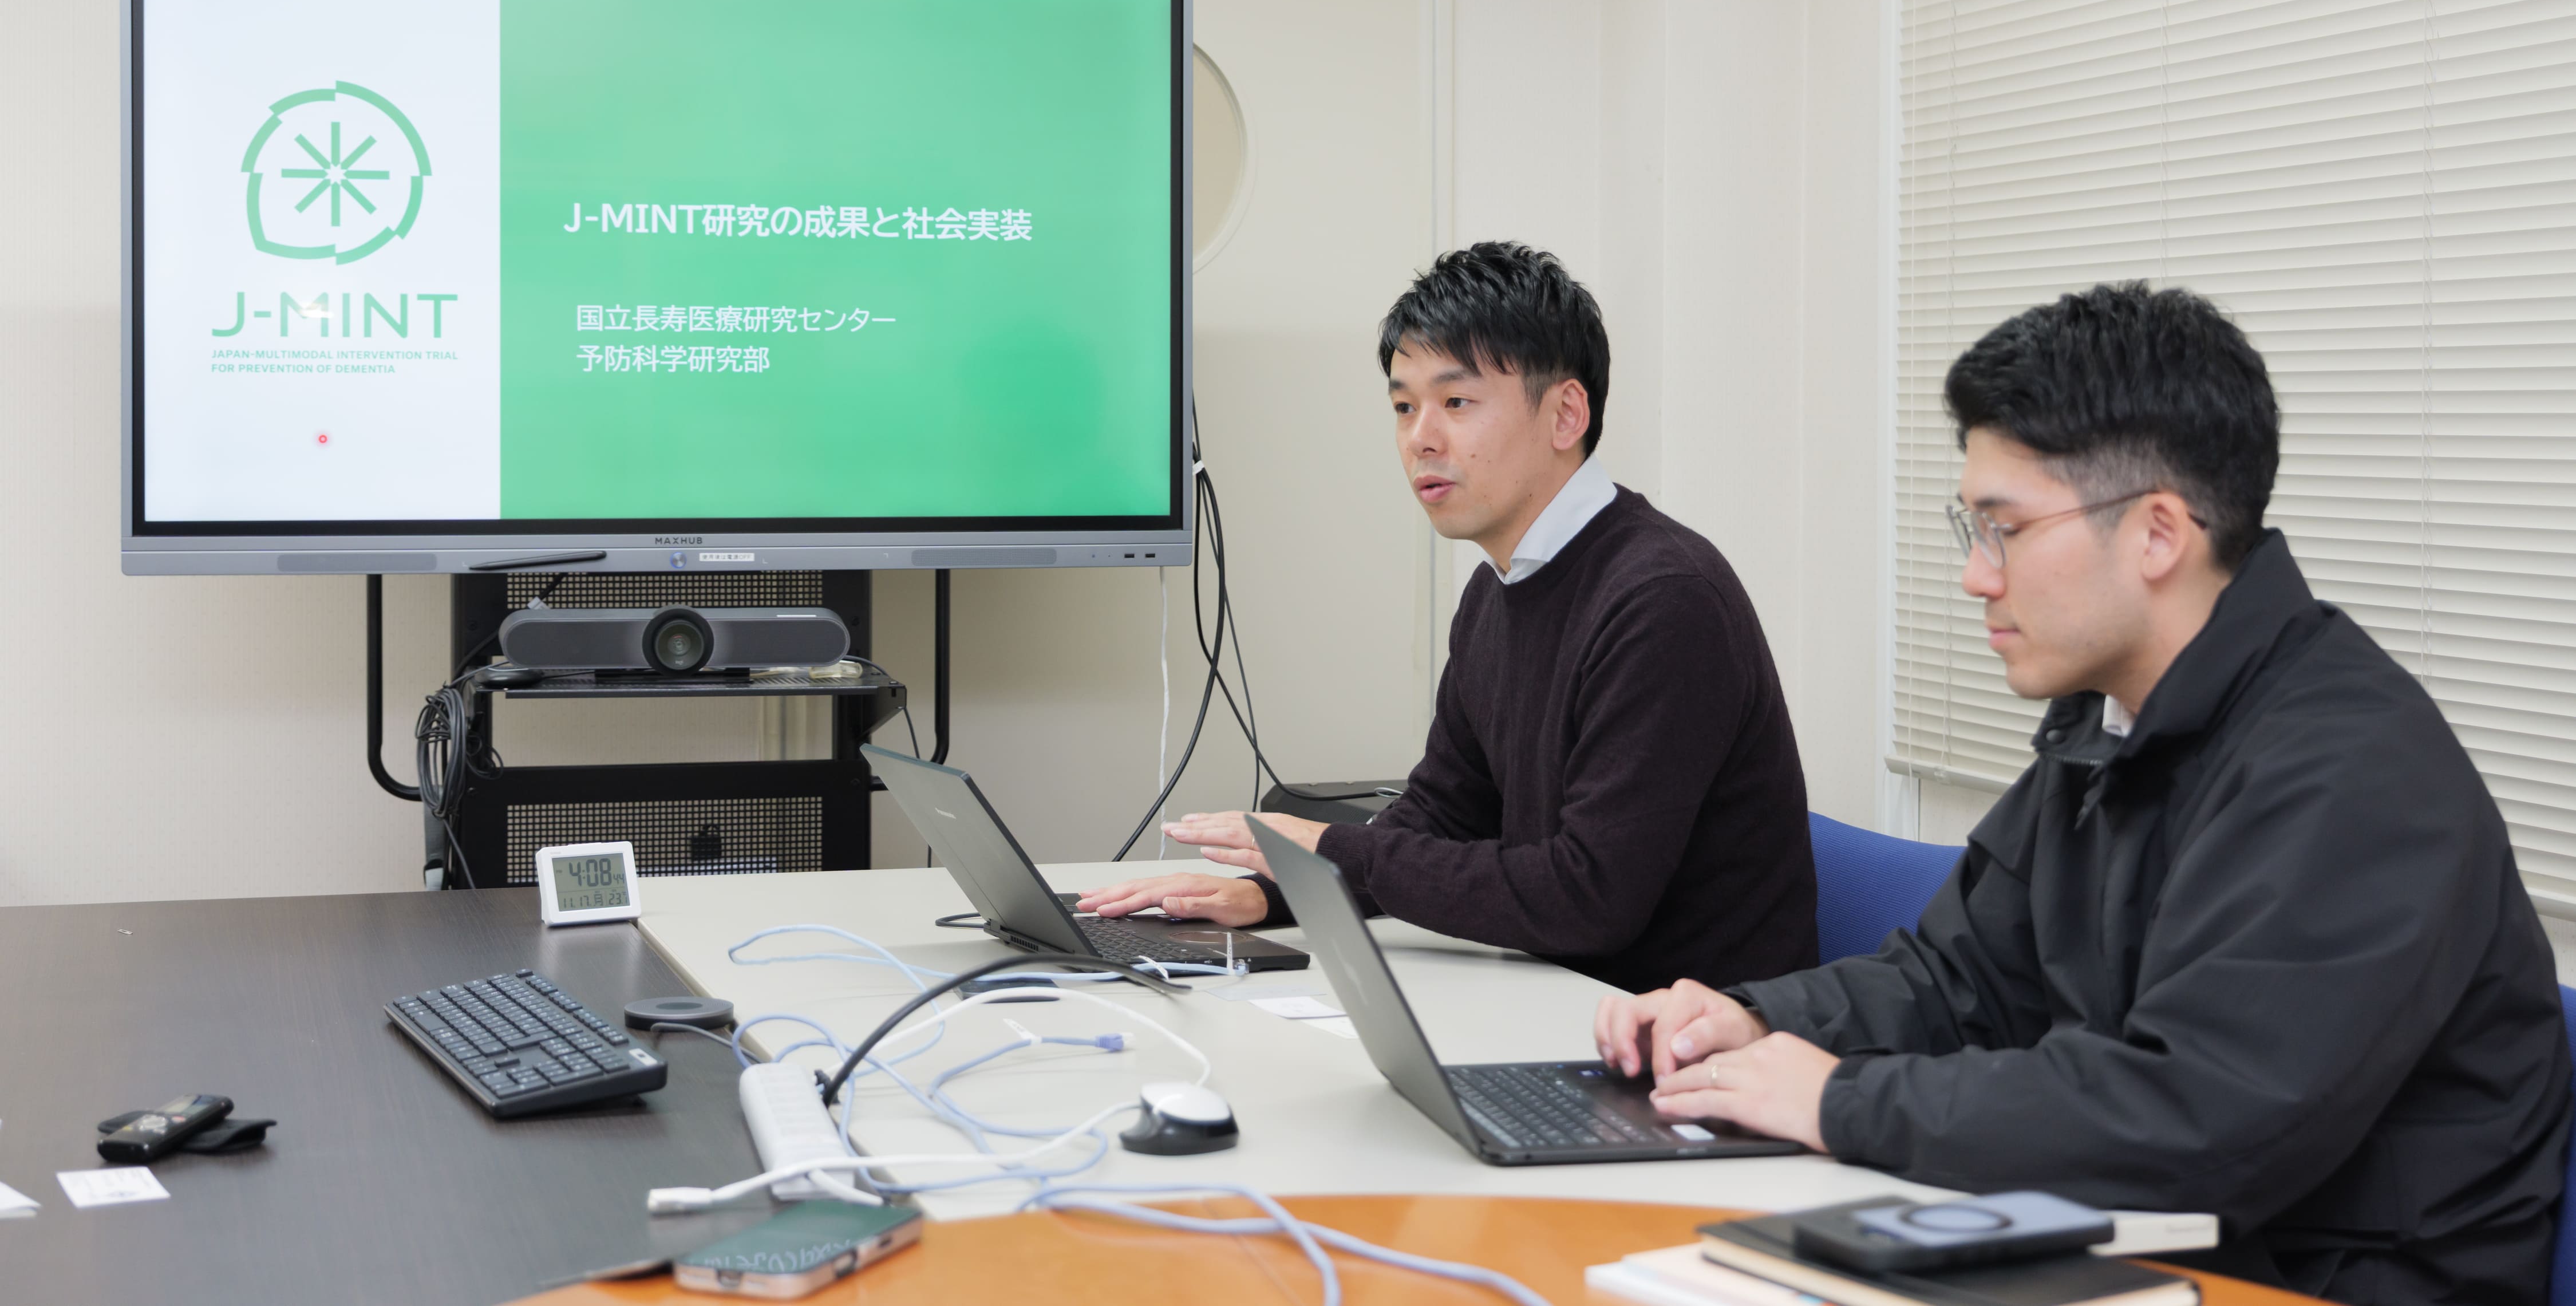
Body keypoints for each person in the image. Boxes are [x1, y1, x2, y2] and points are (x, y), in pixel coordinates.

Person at [1595, 282, 2571, 1304]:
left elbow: (2196, 1124)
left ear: (2157, 533)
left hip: (2309, 1280)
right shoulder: (2112, 722)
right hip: (2151, 1246)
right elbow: (1963, 983)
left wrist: (1840, 1099)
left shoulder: (2354, 773)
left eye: (2006, 529)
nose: (1977, 576)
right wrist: (1757, 1022)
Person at [1078, 241, 1817, 994]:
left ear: (1566, 413)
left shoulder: (1663, 598)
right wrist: (1274, 892)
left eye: (1456, 403)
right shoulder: (1501, 587)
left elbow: (1588, 896)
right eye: (1404, 407)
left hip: (1692, 1034)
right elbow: (1443, 812)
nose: (1420, 438)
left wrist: (1327, 846)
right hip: (1556, 999)